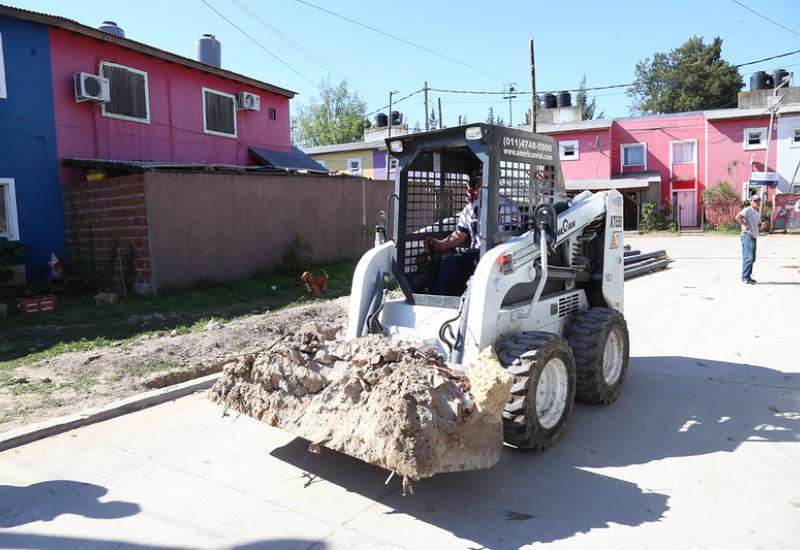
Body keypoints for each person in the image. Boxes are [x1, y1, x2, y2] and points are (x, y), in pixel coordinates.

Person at [425, 169, 516, 295]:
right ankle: (442, 301)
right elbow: (459, 236)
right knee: (452, 262)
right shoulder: (469, 209)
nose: (480, 185)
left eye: (483, 181)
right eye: (477, 182)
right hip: (475, 253)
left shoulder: (508, 205)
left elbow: (513, 235)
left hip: (499, 255)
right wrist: (438, 244)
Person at [734, 194, 765, 284]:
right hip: (747, 236)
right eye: (755, 201)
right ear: (751, 201)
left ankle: (748, 276)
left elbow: (757, 224)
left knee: (752, 258)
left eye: (758, 200)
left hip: (753, 236)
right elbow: (738, 217)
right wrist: (745, 225)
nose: (757, 202)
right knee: (748, 257)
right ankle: (745, 277)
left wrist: (761, 225)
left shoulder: (756, 212)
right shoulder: (747, 210)